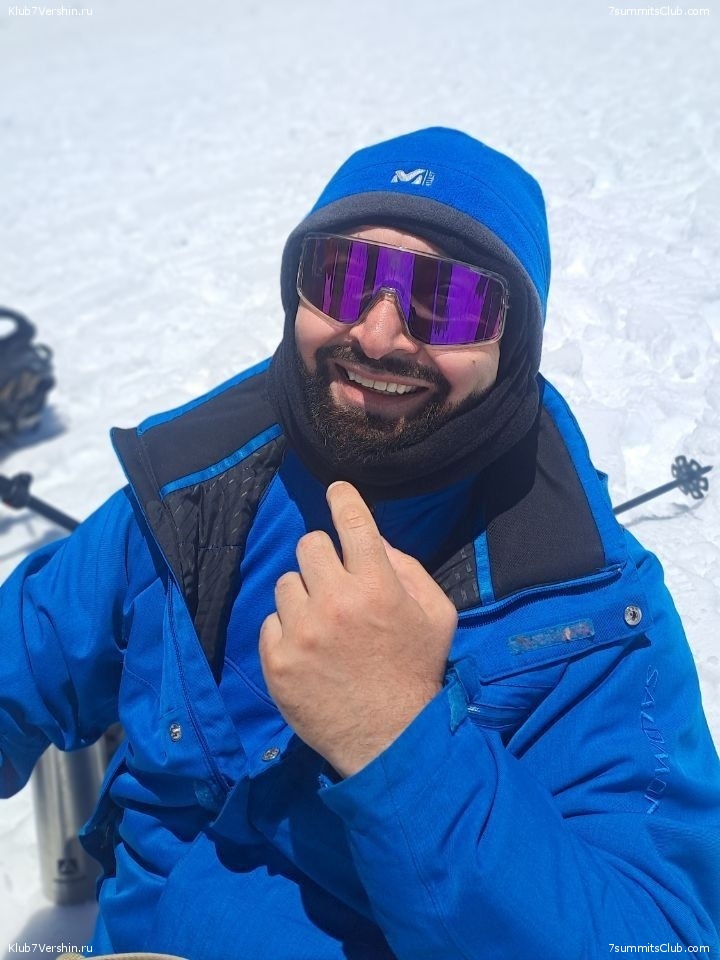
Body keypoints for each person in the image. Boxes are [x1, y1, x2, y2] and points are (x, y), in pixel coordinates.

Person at [1, 127, 718, 960]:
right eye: (343, 277)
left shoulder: (587, 613)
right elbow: (25, 652)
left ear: (514, 343)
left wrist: (401, 740)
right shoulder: (192, 490)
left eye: (446, 299)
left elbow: (663, 939)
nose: (377, 337)